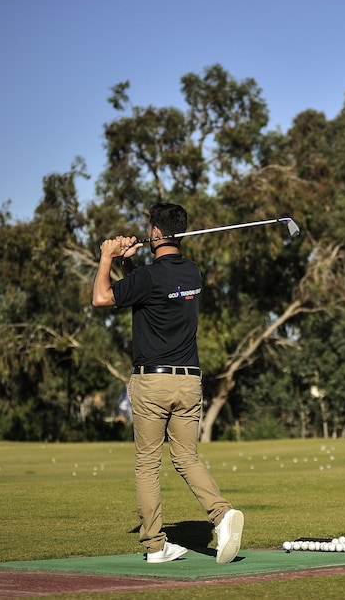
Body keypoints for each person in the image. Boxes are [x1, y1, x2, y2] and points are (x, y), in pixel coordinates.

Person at [91, 203, 244, 565]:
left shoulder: (147, 277)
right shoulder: (192, 273)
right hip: (188, 382)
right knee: (186, 457)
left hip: (152, 383)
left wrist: (107, 257)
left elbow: (101, 298)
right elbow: (150, 288)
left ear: (156, 233)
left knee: (147, 464)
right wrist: (128, 263)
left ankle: (155, 546)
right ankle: (222, 515)